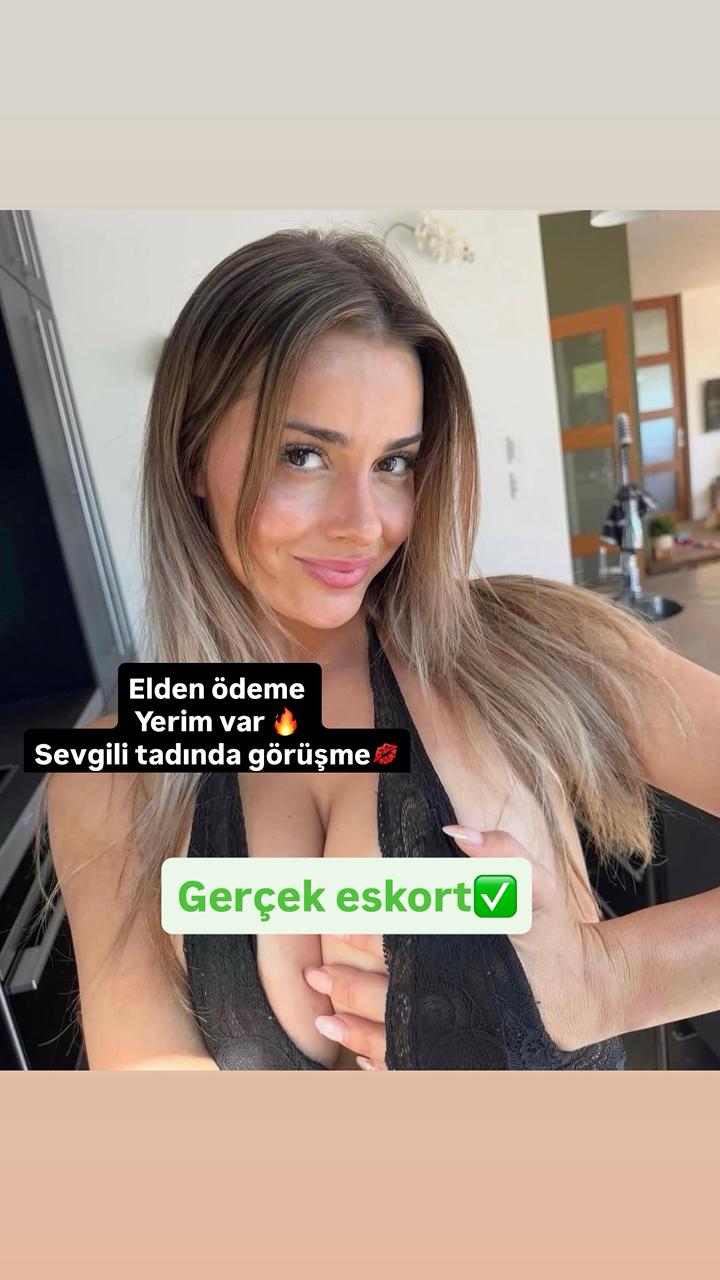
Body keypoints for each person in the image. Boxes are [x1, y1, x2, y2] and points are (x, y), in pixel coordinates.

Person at [39, 227, 720, 1071]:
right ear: (190, 455)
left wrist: (606, 981)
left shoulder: (539, 646)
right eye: (303, 455)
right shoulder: (114, 781)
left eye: (396, 464)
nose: (364, 524)